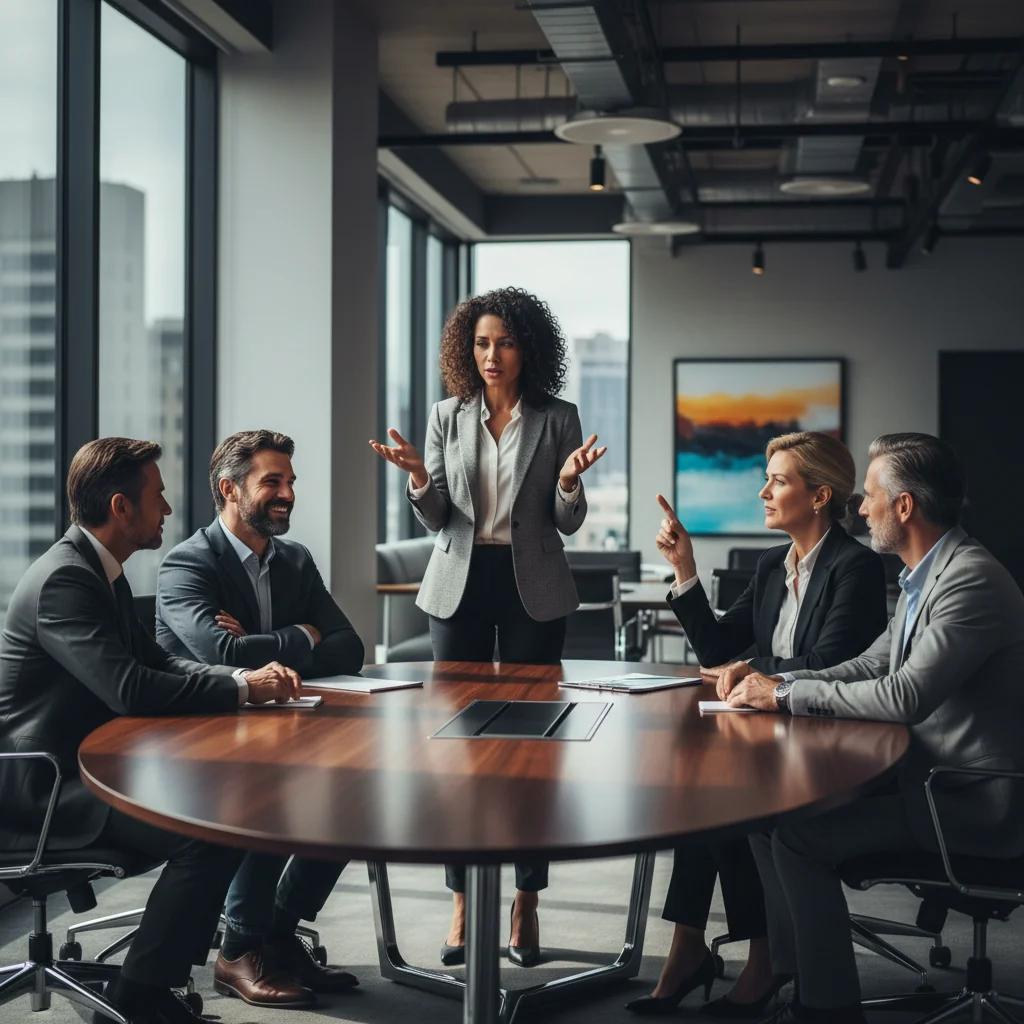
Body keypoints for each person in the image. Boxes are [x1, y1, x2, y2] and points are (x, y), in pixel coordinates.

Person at [722, 433, 1024, 1024]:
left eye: (871, 496)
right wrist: (769, 681)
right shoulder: (923, 577)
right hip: (928, 779)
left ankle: (826, 1009)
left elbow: (905, 694)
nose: (860, 508)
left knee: (797, 840)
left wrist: (784, 693)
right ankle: (795, 976)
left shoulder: (970, 580)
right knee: (765, 819)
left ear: (904, 507)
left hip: (966, 798)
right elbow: (870, 664)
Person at [0, 438, 302, 1024]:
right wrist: (241, 689)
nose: (166, 510)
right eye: (157, 497)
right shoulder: (66, 580)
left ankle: (154, 984)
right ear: (120, 507)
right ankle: (141, 996)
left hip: (89, 766)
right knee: (210, 829)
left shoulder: (99, 572)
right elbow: (129, 689)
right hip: (43, 790)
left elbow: (158, 664)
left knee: (226, 803)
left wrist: (240, 675)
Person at [370, 286, 605, 968]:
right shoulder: (448, 416)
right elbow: (441, 518)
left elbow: (567, 522)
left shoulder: (558, 416)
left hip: (533, 584)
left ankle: (526, 898)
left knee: (534, 752)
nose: (491, 354)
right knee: (456, 749)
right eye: (479, 343)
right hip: (461, 587)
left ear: (527, 347)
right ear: (465, 351)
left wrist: (567, 483)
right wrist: (417, 477)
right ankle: (464, 901)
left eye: (503, 341)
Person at [626, 432, 888, 1017]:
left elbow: (828, 663)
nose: (763, 491)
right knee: (700, 790)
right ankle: (689, 945)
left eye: (779, 480)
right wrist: (685, 569)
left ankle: (764, 961)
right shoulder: (774, 564)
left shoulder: (857, 567)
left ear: (820, 495)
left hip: (828, 738)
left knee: (728, 804)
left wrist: (754, 669)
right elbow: (719, 646)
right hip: (774, 733)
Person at [156, 429, 363, 1008]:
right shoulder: (187, 564)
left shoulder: (294, 560)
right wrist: (303, 635)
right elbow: (221, 658)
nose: (288, 492)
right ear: (229, 489)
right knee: (272, 787)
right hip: (200, 728)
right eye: (272, 481)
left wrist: (267, 645)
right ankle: (238, 949)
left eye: (290, 481)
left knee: (354, 793)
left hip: (279, 718)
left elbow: (350, 648)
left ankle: (278, 929)